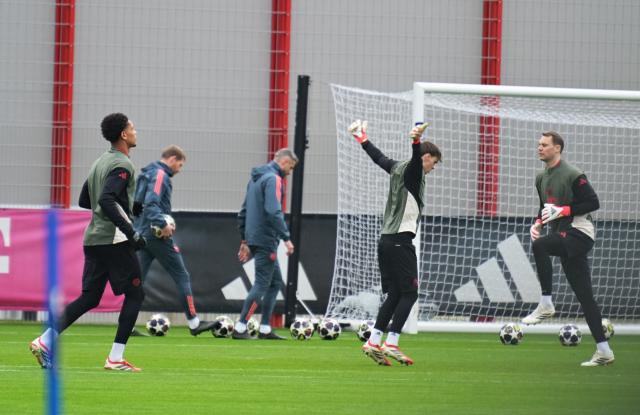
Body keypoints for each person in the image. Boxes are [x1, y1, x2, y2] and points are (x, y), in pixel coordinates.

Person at [29, 113, 147, 372]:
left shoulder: (100, 162)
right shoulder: (123, 165)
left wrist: (129, 206)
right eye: (132, 127)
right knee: (136, 294)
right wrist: (130, 231)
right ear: (124, 135)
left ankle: (45, 340)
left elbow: (87, 199)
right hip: (113, 240)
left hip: (93, 238)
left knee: (90, 297)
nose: (136, 131)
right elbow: (106, 199)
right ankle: (115, 358)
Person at [348, 120, 441, 366]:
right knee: (410, 294)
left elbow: (378, 158)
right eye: (434, 162)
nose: (434, 167)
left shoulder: (397, 168)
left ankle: (373, 340)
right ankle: (392, 342)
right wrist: (416, 141)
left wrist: (362, 139)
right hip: (400, 242)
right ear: (428, 157)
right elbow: (415, 160)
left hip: (386, 242)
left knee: (394, 295)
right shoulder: (414, 170)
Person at [523, 131, 614, 367]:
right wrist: (538, 223)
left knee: (540, 246)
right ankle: (604, 351)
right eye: (538, 145)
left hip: (580, 233)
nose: (539, 148)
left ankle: (546, 302)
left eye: (544, 145)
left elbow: (593, 203)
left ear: (558, 148)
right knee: (586, 298)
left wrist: (563, 211)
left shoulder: (573, 173)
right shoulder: (540, 177)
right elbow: (544, 207)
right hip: (563, 235)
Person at [133, 145, 218, 336]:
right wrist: (162, 223)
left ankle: (127, 324)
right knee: (181, 275)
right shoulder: (160, 175)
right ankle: (194, 322)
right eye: (180, 165)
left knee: (138, 280)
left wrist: (140, 227)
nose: (179, 169)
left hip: (141, 234)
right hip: (156, 235)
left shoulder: (145, 174)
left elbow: (136, 205)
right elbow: (151, 204)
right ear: (172, 159)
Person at [232, 148, 298, 340]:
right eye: (291, 168)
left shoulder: (255, 179)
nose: (290, 172)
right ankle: (241, 327)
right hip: (266, 238)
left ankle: (265, 328)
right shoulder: (274, 180)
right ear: (284, 162)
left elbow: (242, 212)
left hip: (254, 237)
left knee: (275, 281)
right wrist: (286, 237)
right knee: (262, 283)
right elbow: (273, 211)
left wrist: (245, 240)